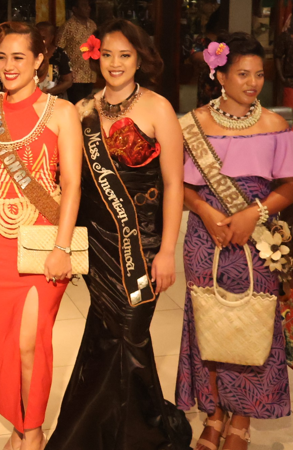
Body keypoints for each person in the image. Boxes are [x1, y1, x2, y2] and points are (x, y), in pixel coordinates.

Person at [46, 19, 190, 450]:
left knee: (129, 333)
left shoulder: (159, 107)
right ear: (95, 56)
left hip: (142, 246)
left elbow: (174, 185)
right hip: (98, 245)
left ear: (140, 58)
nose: (115, 63)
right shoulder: (82, 109)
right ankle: (107, 432)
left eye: (125, 55)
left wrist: (167, 251)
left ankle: (129, 435)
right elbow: (70, 181)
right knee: (107, 336)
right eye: (107, 54)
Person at [177, 32, 293, 450]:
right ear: (219, 74)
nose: (253, 82)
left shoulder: (275, 125)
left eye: (258, 74)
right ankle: (213, 414)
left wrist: (256, 213)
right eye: (242, 73)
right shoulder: (193, 123)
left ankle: (242, 418)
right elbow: (175, 185)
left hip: (256, 240)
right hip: (207, 236)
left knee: (251, 323)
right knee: (207, 322)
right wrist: (205, 210)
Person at [0, 21, 83, 450]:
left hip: (44, 240)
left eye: (19, 58)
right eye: (2, 57)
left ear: (39, 61)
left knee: (30, 341)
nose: (9, 66)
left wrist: (63, 247)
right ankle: (19, 422)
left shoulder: (62, 112)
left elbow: (73, 187)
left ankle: (34, 430)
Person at [57, 0, 96, 104]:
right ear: (75, 9)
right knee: (77, 107)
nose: (88, 8)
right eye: (84, 6)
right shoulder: (68, 26)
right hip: (75, 75)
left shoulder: (92, 25)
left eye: (88, 5)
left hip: (90, 73)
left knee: (88, 108)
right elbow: (58, 48)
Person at [36, 22, 73, 97]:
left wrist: (49, 92)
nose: (40, 41)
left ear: (51, 38)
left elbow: (68, 81)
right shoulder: (31, 53)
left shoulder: (60, 54)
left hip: (54, 98)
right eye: (37, 38)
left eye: (43, 38)